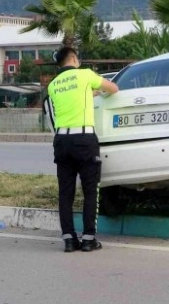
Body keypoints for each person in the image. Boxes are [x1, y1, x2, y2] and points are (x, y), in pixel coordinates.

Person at [44, 47, 119, 252]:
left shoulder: (53, 85)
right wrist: (99, 91)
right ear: (74, 58)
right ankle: (88, 238)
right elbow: (113, 88)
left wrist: (90, 92)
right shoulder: (85, 75)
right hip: (84, 139)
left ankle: (69, 239)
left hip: (61, 141)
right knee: (90, 190)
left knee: (65, 193)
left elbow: (72, 98)